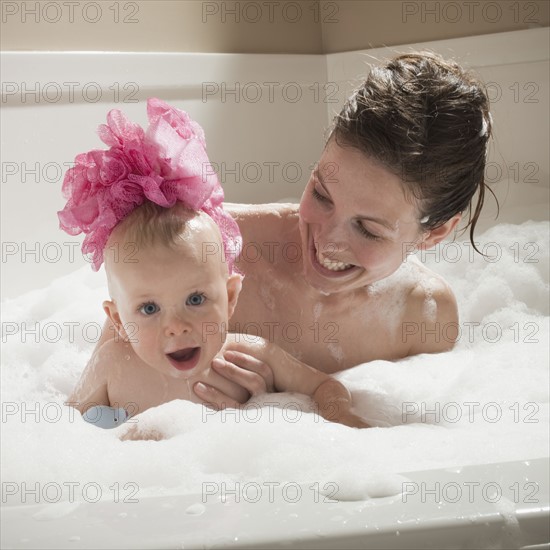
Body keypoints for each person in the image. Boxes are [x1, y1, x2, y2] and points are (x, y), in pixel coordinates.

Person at [81, 52, 494, 412]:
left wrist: (280, 408)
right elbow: (98, 399)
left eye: (368, 229)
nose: (327, 240)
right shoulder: (201, 248)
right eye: (322, 194)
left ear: (434, 233)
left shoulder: (423, 319)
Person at [61, 98, 368, 430]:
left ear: (231, 296)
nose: (176, 326)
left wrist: (340, 417)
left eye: (195, 299)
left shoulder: (248, 355)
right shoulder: (113, 365)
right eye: (149, 308)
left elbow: (326, 387)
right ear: (119, 320)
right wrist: (115, 443)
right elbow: (65, 432)